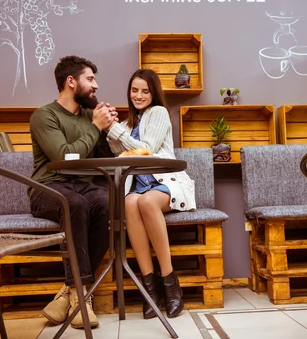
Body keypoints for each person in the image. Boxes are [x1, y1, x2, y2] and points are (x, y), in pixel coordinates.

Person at [29, 55, 118, 329]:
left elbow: (105, 161)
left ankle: (70, 292)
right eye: (90, 79)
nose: (96, 86)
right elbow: (66, 157)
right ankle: (82, 299)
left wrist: (111, 130)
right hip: (50, 186)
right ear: (71, 82)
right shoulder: (45, 116)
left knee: (108, 204)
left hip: (86, 186)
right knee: (75, 205)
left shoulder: (92, 117)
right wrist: (95, 128)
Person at [106, 68, 196, 319]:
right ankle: (150, 289)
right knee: (129, 202)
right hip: (138, 186)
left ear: (153, 93)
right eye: (134, 90)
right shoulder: (127, 124)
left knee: (146, 202)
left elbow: (146, 149)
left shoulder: (159, 113)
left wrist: (115, 130)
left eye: (145, 91)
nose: (139, 95)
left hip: (166, 183)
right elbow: (116, 150)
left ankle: (169, 282)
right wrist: (110, 125)